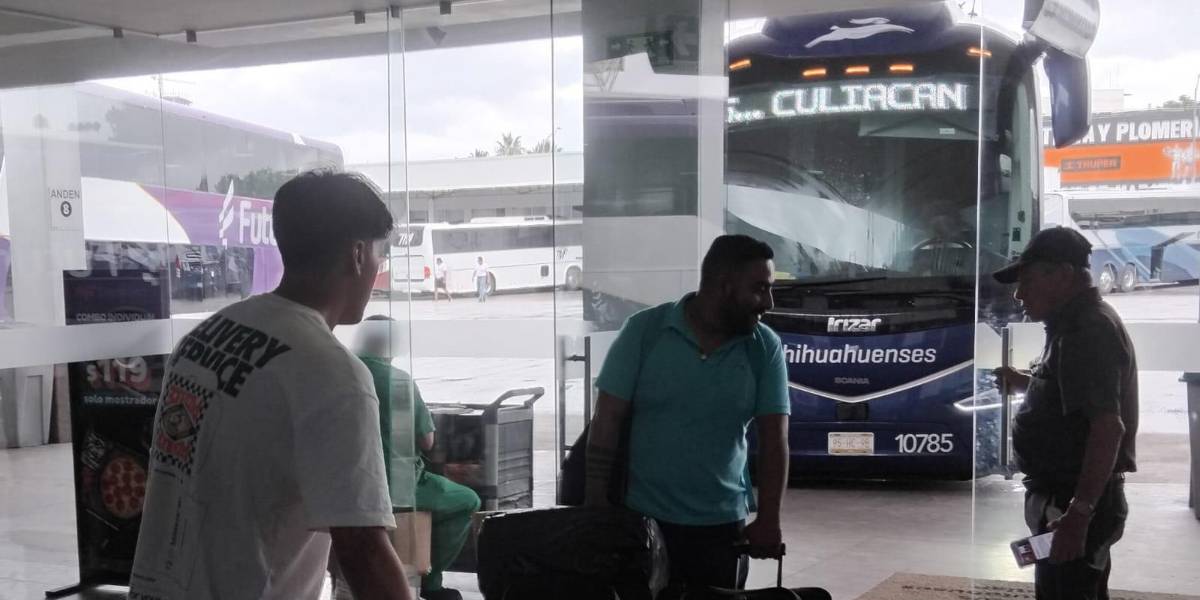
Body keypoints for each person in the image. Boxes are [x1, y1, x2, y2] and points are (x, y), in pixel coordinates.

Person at [130, 170, 413, 600]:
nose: (378, 270)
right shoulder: (333, 374)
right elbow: (362, 548)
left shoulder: (205, 336)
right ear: (357, 255)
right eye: (379, 255)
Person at [585, 234, 790, 596]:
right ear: (724, 285)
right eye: (759, 289)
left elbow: (775, 438)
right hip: (643, 522)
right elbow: (607, 419)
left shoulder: (763, 347)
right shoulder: (645, 331)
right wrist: (596, 502)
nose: (768, 302)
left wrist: (769, 519)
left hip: (722, 529)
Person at [992, 226, 1138, 600]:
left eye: (1027, 281)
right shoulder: (1070, 325)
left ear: (1063, 275)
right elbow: (1071, 395)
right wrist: (1026, 383)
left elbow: (1107, 427)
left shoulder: (1086, 331)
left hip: (1071, 499)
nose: (1019, 294)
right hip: (1061, 497)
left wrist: (1078, 514)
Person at [331, 315, 480, 600]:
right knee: (466, 500)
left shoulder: (340, 370)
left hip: (346, 482)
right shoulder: (398, 380)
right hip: (396, 484)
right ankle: (432, 583)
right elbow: (427, 441)